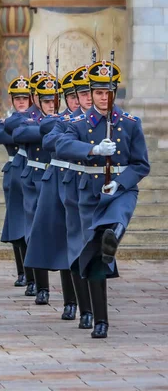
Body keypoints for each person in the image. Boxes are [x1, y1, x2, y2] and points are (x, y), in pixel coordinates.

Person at [56, 61, 150, 338]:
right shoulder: (78, 123)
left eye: (107, 92)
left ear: (114, 92)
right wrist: (93, 148)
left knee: (114, 223)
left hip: (120, 191)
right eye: (97, 92)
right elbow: (62, 145)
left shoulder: (130, 124)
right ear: (92, 93)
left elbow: (141, 165)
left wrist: (120, 183)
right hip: (89, 193)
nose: (102, 97)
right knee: (95, 257)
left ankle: (113, 237)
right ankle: (100, 321)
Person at [41, 67, 94, 329]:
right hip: (66, 186)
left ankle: (93, 304)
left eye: (85, 93)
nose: (79, 100)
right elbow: (50, 137)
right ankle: (77, 304)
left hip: (95, 189)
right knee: (71, 245)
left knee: (90, 245)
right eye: (75, 95)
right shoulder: (64, 121)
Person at [12, 75, 59, 306]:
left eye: (54, 100)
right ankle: (41, 286)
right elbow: (19, 133)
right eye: (46, 101)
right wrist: (48, 127)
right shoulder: (29, 117)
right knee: (34, 233)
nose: (51, 105)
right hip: (35, 178)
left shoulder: (67, 117)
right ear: (37, 100)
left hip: (60, 179)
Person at [0, 76, 32, 287]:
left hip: (33, 172)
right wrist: (21, 132)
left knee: (30, 224)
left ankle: (33, 272)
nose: (22, 102)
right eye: (18, 99)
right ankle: (21, 271)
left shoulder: (36, 120)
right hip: (13, 174)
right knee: (16, 222)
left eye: (25, 98)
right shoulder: (8, 121)